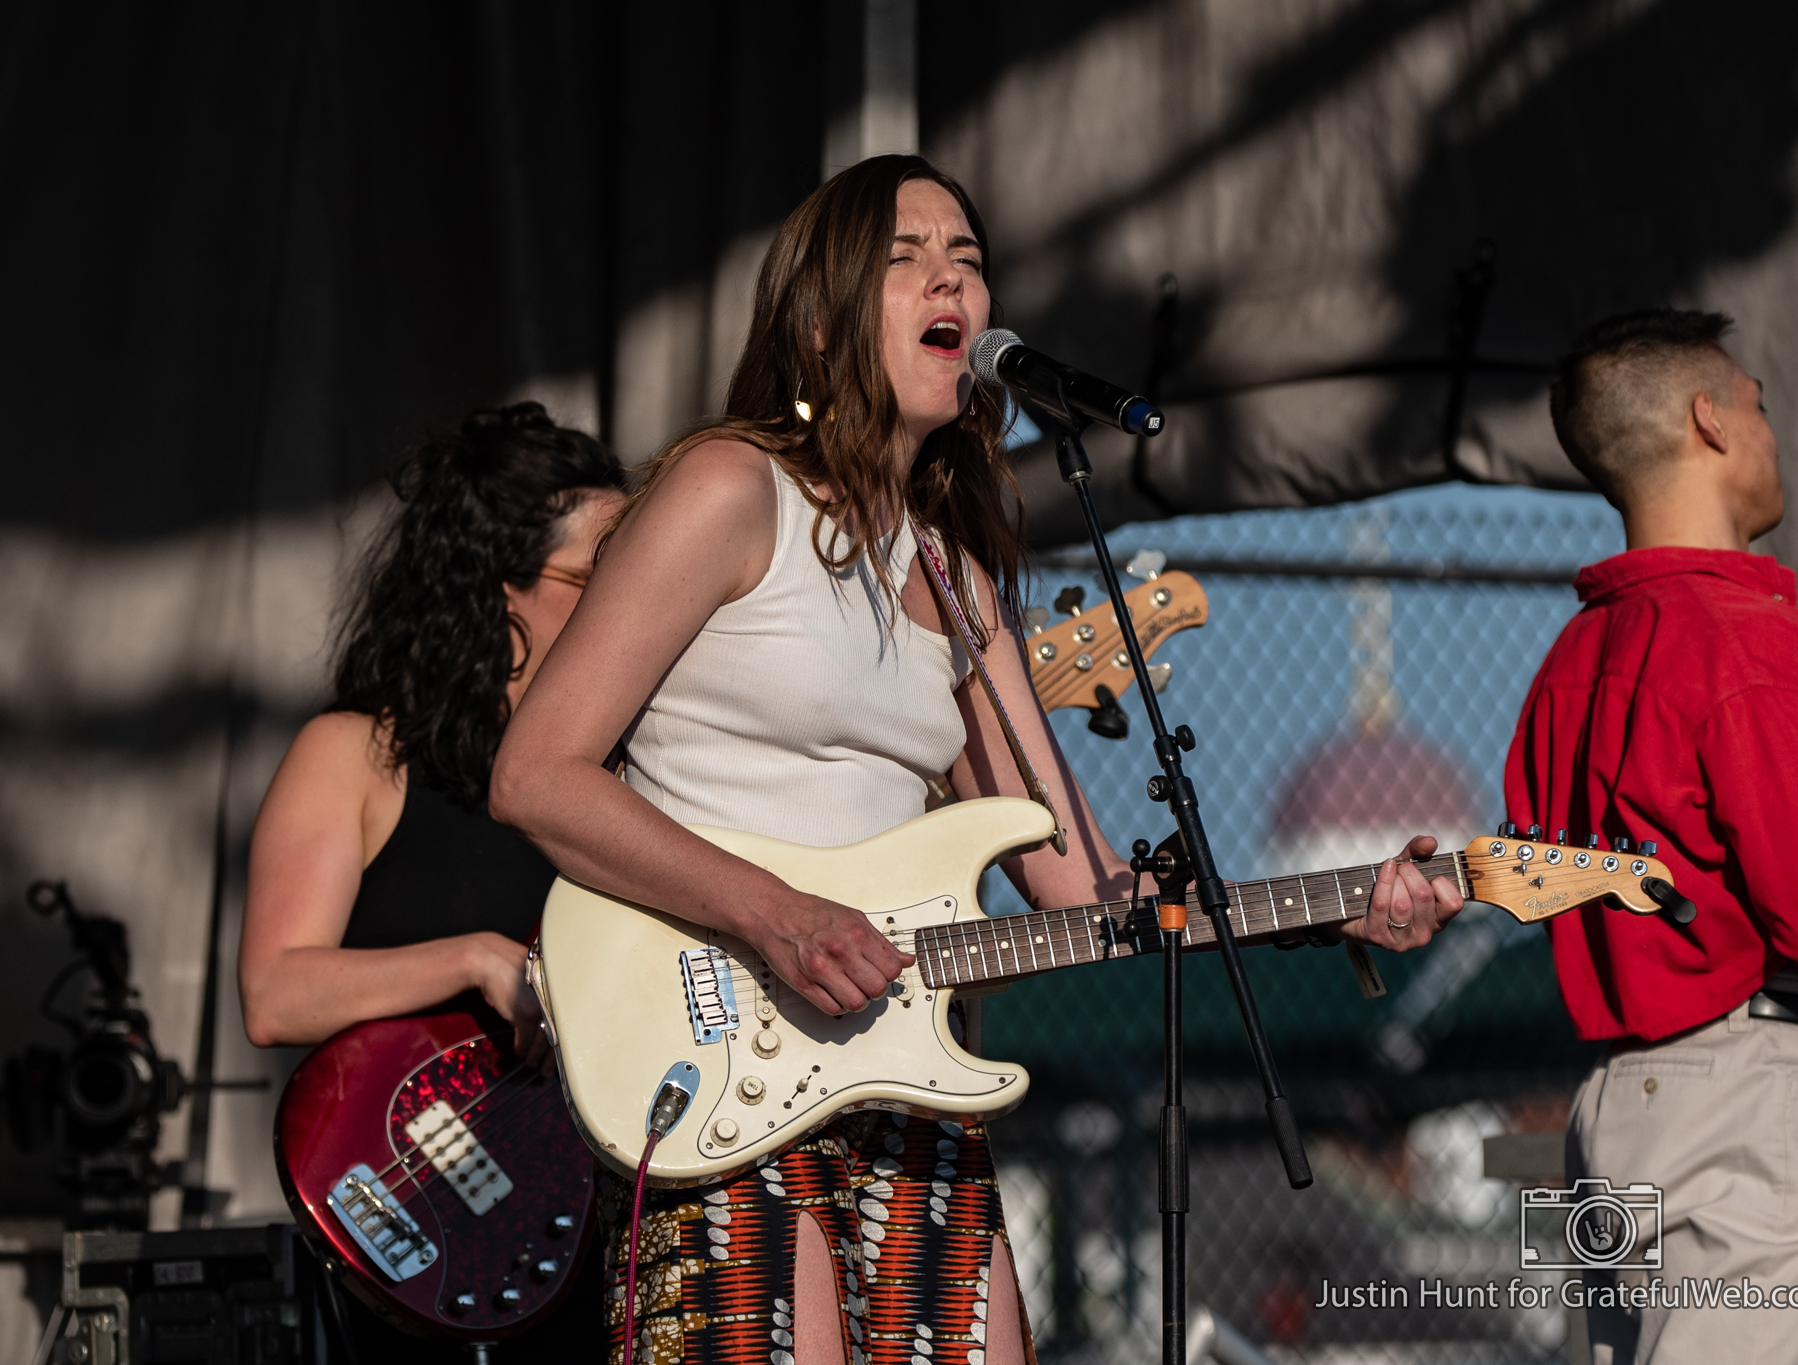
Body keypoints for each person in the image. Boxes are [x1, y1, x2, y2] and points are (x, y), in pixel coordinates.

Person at [489, 154, 1464, 1365]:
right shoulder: (728, 489)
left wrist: (1332, 911)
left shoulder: (956, 577)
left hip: (902, 1077)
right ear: (816, 316)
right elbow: (536, 773)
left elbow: (1087, 893)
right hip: (707, 1050)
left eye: (966, 257)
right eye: (905, 258)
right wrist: (779, 916)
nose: (951, 275)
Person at [1505, 309, 1798, 1364]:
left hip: (1615, 1103)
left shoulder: (1569, 664)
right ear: (1709, 420)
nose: (1772, 433)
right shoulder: (1746, 641)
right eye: (1761, 407)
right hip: (1748, 1088)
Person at [238, 401, 627, 1363]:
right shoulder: (359, 754)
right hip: (424, 1215)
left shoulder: (632, 774)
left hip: (600, 1223)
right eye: (600, 572)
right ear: (504, 595)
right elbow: (275, 991)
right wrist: (475, 959)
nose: (634, 594)